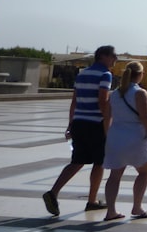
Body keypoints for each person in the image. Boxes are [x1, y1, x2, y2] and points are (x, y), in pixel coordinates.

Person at [43, 45, 118, 216]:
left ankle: (53, 192)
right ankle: (92, 201)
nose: (115, 60)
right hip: (96, 124)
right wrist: (108, 124)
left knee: (77, 161)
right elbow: (103, 101)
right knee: (99, 163)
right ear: (103, 56)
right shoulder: (105, 75)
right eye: (114, 56)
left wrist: (70, 124)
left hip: (79, 122)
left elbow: (74, 101)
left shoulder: (82, 74)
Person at [102, 60, 147, 220]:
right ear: (140, 75)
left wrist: (108, 136)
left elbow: (107, 117)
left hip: (116, 136)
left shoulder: (115, 94)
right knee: (144, 171)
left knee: (114, 175)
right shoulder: (140, 93)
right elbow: (145, 116)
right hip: (135, 137)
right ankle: (137, 207)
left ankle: (111, 211)